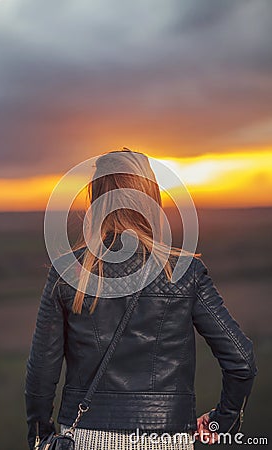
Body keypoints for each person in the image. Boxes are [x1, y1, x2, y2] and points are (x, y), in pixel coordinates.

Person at [25, 149, 258, 449]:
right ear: (151, 198)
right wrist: (221, 421)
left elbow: (41, 372)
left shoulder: (69, 273)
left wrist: (41, 437)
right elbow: (242, 360)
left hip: (84, 437)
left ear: (96, 199)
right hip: (168, 439)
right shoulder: (184, 273)